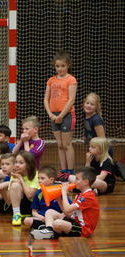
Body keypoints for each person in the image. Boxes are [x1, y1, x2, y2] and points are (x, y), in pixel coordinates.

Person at [31, 167, 99, 240]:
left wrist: (63, 193)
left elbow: (67, 210)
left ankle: (52, 233)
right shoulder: (80, 195)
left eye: (77, 179)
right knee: (49, 212)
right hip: (74, 222)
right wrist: (59, 199)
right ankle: (49, 231)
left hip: (83, 229)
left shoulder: (88, 196)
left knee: (57, 223)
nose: (74, 181)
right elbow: (68, 214)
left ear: (86, 182)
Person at [44, 50, 77, 181]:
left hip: (67, 114)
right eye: (57, 66)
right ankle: (63, 171)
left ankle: (70, 171)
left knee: (67, 144)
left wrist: (61, 116)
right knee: (60, 145)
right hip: (54, 115)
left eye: (63, 66)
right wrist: (51, 115)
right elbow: (46, 99)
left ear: (68, 65)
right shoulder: (51, 80)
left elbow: (71, 100)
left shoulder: (71, 79)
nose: (60, 69)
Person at [82, 92, 113, 158]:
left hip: (101, 152)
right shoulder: (87, 116)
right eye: (87, 103)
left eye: (92, 104)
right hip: (94, 149)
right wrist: (85, 137)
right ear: (83, 103)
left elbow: (102, 139)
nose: (89, 106)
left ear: (96, 107)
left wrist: (99, 154)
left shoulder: (96, 120)